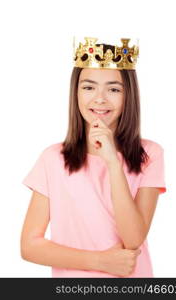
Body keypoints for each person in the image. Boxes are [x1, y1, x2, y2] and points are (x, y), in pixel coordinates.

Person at [20, 37, 166, 278]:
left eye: (114, 89)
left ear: (128, 95)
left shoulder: (150, 154)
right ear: (75, 92)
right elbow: (30, 246)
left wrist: (112, 162)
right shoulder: (53, 158)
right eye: (88, 87)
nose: (100, 98)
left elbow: (133, 238)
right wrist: (100, 261)